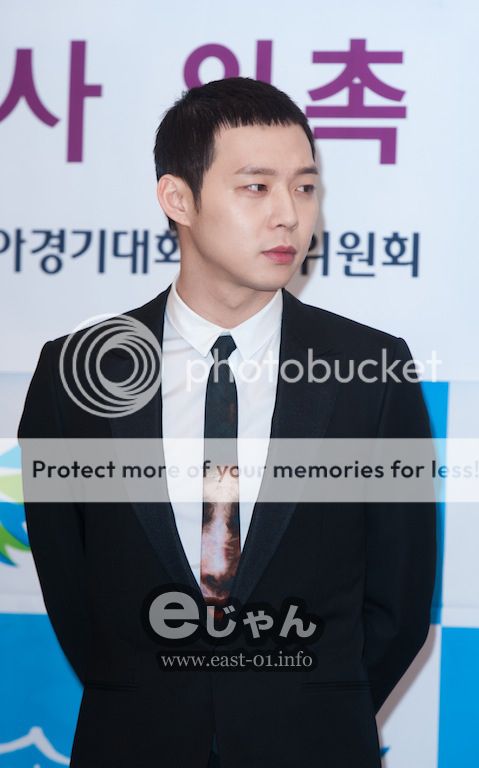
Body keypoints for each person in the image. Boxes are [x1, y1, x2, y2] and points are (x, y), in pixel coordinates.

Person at [18, 77, 436, 767]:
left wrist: (310, 712)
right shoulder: (78, 375)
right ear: (178, 199)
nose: (288, 215)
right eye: (256, 187)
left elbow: (399, 603)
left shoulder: (372, 371)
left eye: (304, 187)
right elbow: (73, 590)